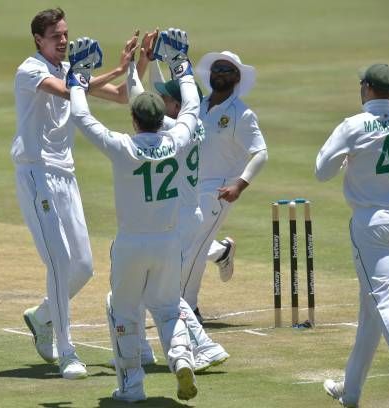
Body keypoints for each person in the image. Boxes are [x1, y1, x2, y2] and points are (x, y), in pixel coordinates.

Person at [68, 29, 199, 402]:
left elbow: (80, 115)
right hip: (168, 241)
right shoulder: (176, 140)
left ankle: (132, 387)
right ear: (161, 120)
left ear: (135, 121)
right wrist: (181, 65)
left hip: (130, 243)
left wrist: (78, 76)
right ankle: (181, 358)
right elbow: (191, 108)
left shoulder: (122, 146)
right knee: (169, 309)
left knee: (123, 311)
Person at [12, 7, 138, 380]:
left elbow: (120, 97)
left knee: (82, 267)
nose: (64, 41)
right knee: (59, 264)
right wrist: (86, 75)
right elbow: (69, 91)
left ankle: (42, 316)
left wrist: (130, 66)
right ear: (38, 39)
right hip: (37, 175)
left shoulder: (69, 71)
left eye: (66, 34)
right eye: (56, 36)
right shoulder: (30, 70)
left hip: (65, 176)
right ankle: (66, 351)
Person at [118, 37, 229, 373]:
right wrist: (153, 60)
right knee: (158, 291)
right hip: (186, 213)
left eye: (166, 98)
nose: (161, 100)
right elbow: (157, 94)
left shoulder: (166, 127)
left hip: (176, 220)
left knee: (162, 295)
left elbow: (139, 99)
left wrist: (130, 65)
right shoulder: (189, 125)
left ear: (174, 107)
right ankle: (143, 351)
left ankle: (205, 346)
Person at [316, 63, 389, 407]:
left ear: (367, 88)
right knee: (370, 308)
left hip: (370, 223)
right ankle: (350, 392)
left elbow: (321, 171)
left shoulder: (352, 126)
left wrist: (345, 160)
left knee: (383, 299)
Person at [179, 51, 268, 322]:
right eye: (217, 69)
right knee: (186, 244)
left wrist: (239, 186)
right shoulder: (198, 105)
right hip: (190, 187)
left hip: (218, 190)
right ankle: (220, 254)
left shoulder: (242, 114)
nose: (220, 74)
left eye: (227, 70)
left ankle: (188, 307)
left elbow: (261, 152)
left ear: (237, 78)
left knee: (192, 249)